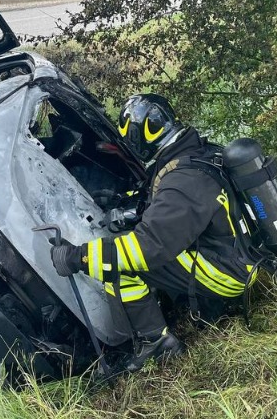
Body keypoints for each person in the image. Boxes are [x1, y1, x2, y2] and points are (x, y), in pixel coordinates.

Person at [50, 94, 257, 371]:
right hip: (235, 254)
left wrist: (77, 257)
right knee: (127, 250)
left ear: (139, 138)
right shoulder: (193, 154)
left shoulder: (184, 182)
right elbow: (169, 209)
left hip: (226, 274)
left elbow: (147, 248)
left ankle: (156, 344)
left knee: (117, 264)